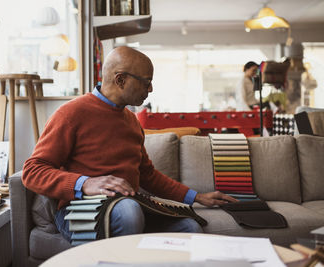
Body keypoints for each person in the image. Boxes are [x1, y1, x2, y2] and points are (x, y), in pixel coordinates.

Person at [22, 46, 237, 242]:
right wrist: (86, 183)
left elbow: (147, 175)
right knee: (129, 212)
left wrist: (197, 196)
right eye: (146, 81)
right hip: (81, 210)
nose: (150, 89)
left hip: (129, 206)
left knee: (190, 227)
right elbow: (32, 171)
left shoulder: (131, 121)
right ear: (121, 80)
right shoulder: (70, 114)